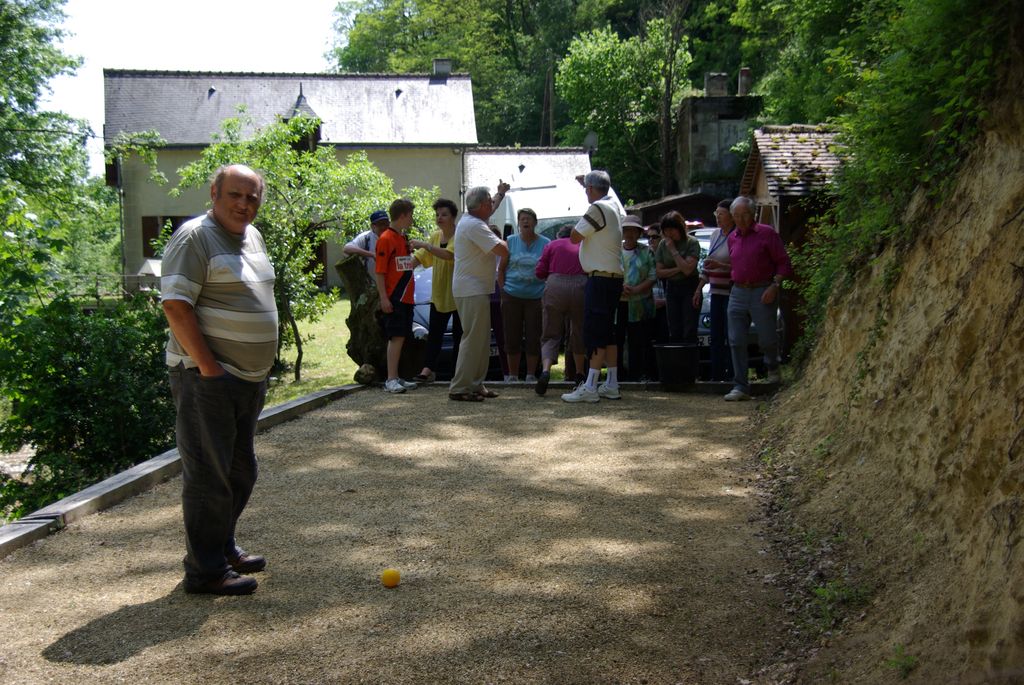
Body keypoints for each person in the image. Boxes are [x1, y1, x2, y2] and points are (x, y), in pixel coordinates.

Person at [161, 164, 277, 596]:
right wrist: (209, 368)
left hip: (246, 379)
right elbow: (175, 306)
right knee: (209, 475)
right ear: (214, 193)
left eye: (252, 197)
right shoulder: (194, 237)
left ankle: (222, 547)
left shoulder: (251, 236)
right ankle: (205, 570)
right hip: (205, 378)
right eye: (235, 195)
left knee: (240, 470)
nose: (244, 204)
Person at [561, 170, 625, 403]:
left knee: (595, 331)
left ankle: (590, 386)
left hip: (599, 278)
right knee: (608, 332)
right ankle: (612, 383)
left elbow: (575, 236)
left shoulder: (597, 208)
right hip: (613, 278)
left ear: (590, 189)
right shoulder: (614, 207)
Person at [724, 196, 794, 401]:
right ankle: (740, 386)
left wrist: (774, 285)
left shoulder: (766, 233)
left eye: (745, 214)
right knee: (736, 339)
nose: (741, 219)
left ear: (753, 214)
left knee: (766, 337)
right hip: (738, 291)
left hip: (762, 289)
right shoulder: (732, 237)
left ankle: (772, 366)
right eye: (736, 215)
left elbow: (784, 263)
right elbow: (737, 263)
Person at [449, 184, 510, 402]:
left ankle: (475, 384)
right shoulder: (475, 225)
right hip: (471, 289)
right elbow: (503, 250)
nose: (492, 205)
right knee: (473, 339)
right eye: (489, 202)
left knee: (481, 340)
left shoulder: (473, 220)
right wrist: (505, 240)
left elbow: (491, 207)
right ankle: (460, 387)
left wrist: (500, 194)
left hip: (474, 288)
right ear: (483, 205)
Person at [409, 198, 461, 383]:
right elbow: (420, 258)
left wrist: (425, 245)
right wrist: (403, 268)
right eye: (437, 214)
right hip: (439, 294)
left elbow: (448, 255)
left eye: (444, 214)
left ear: (453, 217)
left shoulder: (459, 236)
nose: (439, 218)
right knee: (435, 335)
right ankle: (427, 370)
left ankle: (457, 373)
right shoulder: (435, 236)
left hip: (459, 294)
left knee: (459, 336)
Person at [498, 208, 550, 383]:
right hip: (512, 295)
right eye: (522, 219)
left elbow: (549, 270)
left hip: (536, 297)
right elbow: (501, 269)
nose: (525, 222)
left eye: (529, 219)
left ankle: (530, 375)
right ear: (518, 223)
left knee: (534, 336)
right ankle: (513, 375)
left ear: (535, 222)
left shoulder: (546, 243)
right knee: (511, 335)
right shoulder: (510, 241)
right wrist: (503, 291)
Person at [534, 223, 586, 395]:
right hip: (580, 286)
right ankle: (579, 373)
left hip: (555, 285)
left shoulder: (552, 245)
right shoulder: (583, 245)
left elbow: (540, 271)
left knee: (550, 333)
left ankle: (546, 371)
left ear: (559, 235)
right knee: (578, 331)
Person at [375, 198, 419, 393]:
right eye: (410, 216)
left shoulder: (402, 238)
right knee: (396, 337)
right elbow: (380, 271)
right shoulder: (385, 239)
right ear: (402, 216)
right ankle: (391, 379)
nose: (412, 220)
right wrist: (384, 298)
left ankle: (397, 376)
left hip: (407, 297)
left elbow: (404, 265)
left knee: (402, 336)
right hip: (395, 296)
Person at [693, 199, 735, 381]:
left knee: (731, 334)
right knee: (716, 335)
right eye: (716, 214)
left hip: (731, 292)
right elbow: (707, 266)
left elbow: (739, 266)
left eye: (721, 214)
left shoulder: (736, 235)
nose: (718, 217)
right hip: (715, 292)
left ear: (731, 216)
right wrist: (699, 288)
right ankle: (716, 375)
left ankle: (732, 374)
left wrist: (720, 265)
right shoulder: (715, 235)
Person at [616, 215, 656, 380]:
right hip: (618, 303)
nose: (630, 234)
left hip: (640, 304)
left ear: (639, 233)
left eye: (634, 230)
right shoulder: (614, 251)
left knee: (638, 340)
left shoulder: (647, 251)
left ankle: (637, 374)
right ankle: (617, 374)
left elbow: (653, 276)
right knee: (617, 339)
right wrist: (619, 288)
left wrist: (636, 289)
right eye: (626, 230)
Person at [654, 211, 701, 343]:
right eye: (666, 230)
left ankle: (689, 354)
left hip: (689, 286)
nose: (669, 233)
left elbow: (688, 271)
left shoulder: (691, 243)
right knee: (674, 328)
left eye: (672, 229)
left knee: (689, 328)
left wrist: (674, 251)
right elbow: (659, 272)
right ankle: (676, 354)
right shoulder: (662, 245)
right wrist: (680, 267)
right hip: (672, 288)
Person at [343, 210, 389, 283]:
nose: (384, 227)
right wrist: (372, 254)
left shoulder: (393, 237)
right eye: (380, 224)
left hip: (391, 283)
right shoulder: (366, 238)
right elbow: (347, 248)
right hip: (371, 283)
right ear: (372, 226)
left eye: (386, 224)